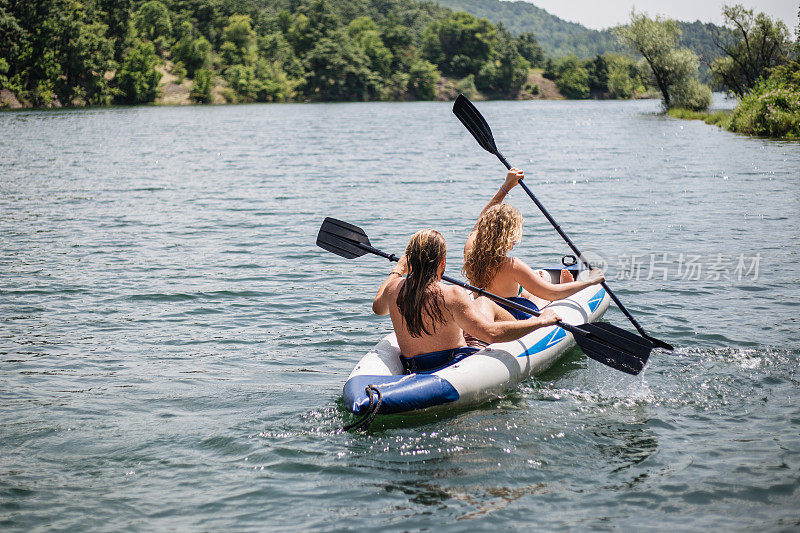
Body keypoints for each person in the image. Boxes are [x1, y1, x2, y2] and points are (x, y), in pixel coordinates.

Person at [372, 229, 561, 375]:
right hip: (454, 364)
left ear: (410, 262)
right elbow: (491, 334)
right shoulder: (452, 294)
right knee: (485, 302)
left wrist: (397, 269)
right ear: (442, 263)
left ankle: (529, 309)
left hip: (414, 366)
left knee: (476, 308)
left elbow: (378, 309)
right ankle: (528, 321)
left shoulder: (393, 289)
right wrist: (540, 321)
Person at [463, 168, 606, 320]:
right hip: (510, 318)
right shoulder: (511, 266)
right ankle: (560, 285)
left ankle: (535, 283)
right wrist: (590, 281)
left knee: (528, 290)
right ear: (508, 236)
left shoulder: (470, 249)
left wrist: (506, 187)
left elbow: (483, 218)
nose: (515, 241)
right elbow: (552, 293)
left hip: (486, 308)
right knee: (545, 297)